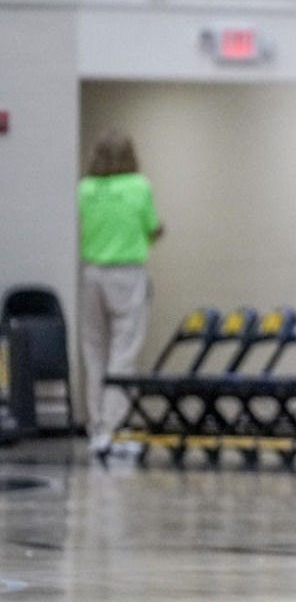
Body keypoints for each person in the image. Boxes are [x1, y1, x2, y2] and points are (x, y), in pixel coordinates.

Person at [77, 131, 161, 458]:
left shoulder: (85, 188)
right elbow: (152, 228)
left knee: (94, 351)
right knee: (123, 353)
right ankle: (116, 429)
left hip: (92, 274)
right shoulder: (139, 186)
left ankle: (97, 427)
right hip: (127, 273)